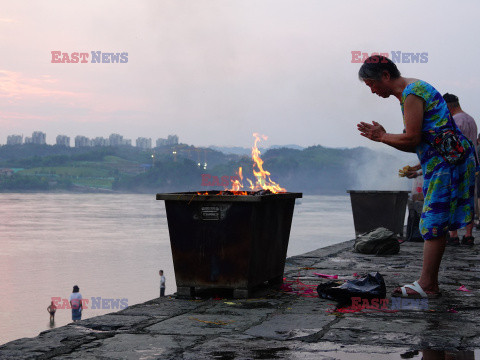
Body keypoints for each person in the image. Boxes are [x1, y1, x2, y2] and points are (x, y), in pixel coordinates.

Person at [357, 55, 476, 298]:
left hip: (447, 162)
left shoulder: (412, 92)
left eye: (371, 84)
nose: (372, 91)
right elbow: (417, 143)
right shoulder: (410, 92)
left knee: (433, 221)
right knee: (436, 221)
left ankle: (428, 284)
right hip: (447, 160)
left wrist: (382, 136)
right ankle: (429, 282)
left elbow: (412, 138)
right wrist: (385, 137)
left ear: (386, 76)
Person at [443, 93, 478, 246]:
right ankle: (469, 235)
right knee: (469, 198)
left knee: (454, 198)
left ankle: (454, 235)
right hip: (472, 164)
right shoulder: (471, 119)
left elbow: (453, 146)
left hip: (458, 164)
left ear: (449, 105)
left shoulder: (455, 120)